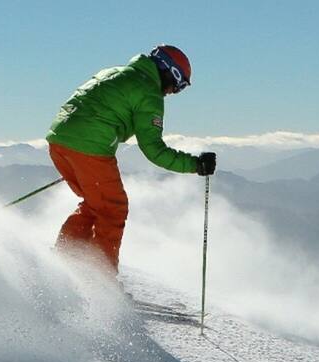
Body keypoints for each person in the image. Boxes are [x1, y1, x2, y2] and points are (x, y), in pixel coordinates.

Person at [44, 44, 216, 274]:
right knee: (114, 209)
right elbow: (154, 150)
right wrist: (196, 165)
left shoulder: (115, 72)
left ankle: (64, 263)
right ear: (170, 72)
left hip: (59, 142)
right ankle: (101, 280)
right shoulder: (149, 92)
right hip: (89, 148)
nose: (173, 92)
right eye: (179, 86)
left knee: (95, 205)